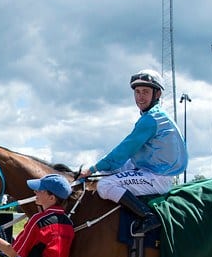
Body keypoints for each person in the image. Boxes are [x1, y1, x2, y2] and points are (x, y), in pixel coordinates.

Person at [80, 69, 187, 234]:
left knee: (105, 185)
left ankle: (148, 216)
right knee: (108, 170)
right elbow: (121, 158)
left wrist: (92, 169)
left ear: (157, 94)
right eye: (137, 92)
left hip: (158, 177)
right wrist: (100, 168)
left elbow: (124, 151)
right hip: (150, 168)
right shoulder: (153, 116)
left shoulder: (151, 119)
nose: (140, 97)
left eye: (145, 92)